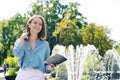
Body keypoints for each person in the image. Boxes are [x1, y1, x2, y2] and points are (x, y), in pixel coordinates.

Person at [12, 15, 56, 80]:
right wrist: (21, 40)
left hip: (38, 76)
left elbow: (46, 64)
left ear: (42, 27)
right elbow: (17, 54)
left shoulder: (45, 45)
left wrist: (50, 67)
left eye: (40, 24)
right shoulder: (20, 40)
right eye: (35, 23)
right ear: (29, 25)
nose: (37, 25)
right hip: (23, 74)